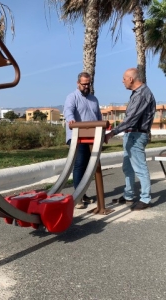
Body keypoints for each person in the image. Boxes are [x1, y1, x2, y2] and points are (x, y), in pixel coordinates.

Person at [104, 67, 156, 211]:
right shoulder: (136, 93)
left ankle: (145, 198)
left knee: (140, 168)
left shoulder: (142, 95)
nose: (123, 81)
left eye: (124, 78)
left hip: (137, 135)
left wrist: (112, 133)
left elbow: (131, 119)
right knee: (127, 167)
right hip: (131, 134)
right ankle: (129, 195)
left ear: (131, 79)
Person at [64, 72, 102, 209]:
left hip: (92, 137)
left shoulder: (94, 99)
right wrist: (71, 119)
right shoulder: (72, 97)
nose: (86, 86)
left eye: (88, 84)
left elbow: (98, 117)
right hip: (77, 137)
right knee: (80, 164)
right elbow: (68, 110)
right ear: (78, 83)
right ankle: (77, 197)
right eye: (84, 84)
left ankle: (83, 193)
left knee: (89, 166)